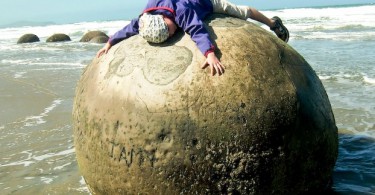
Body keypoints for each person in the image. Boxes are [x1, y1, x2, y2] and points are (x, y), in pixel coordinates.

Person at [96, 0, 289, 76]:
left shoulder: (181, 11)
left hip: (204, 2)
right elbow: (130, 28)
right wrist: (110, 41)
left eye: (169, 31)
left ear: (165, 18)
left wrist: (210, 54)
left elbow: (197, 30)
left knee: (240, 11)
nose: (173, 34)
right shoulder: (146, 18)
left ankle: (272, 23)